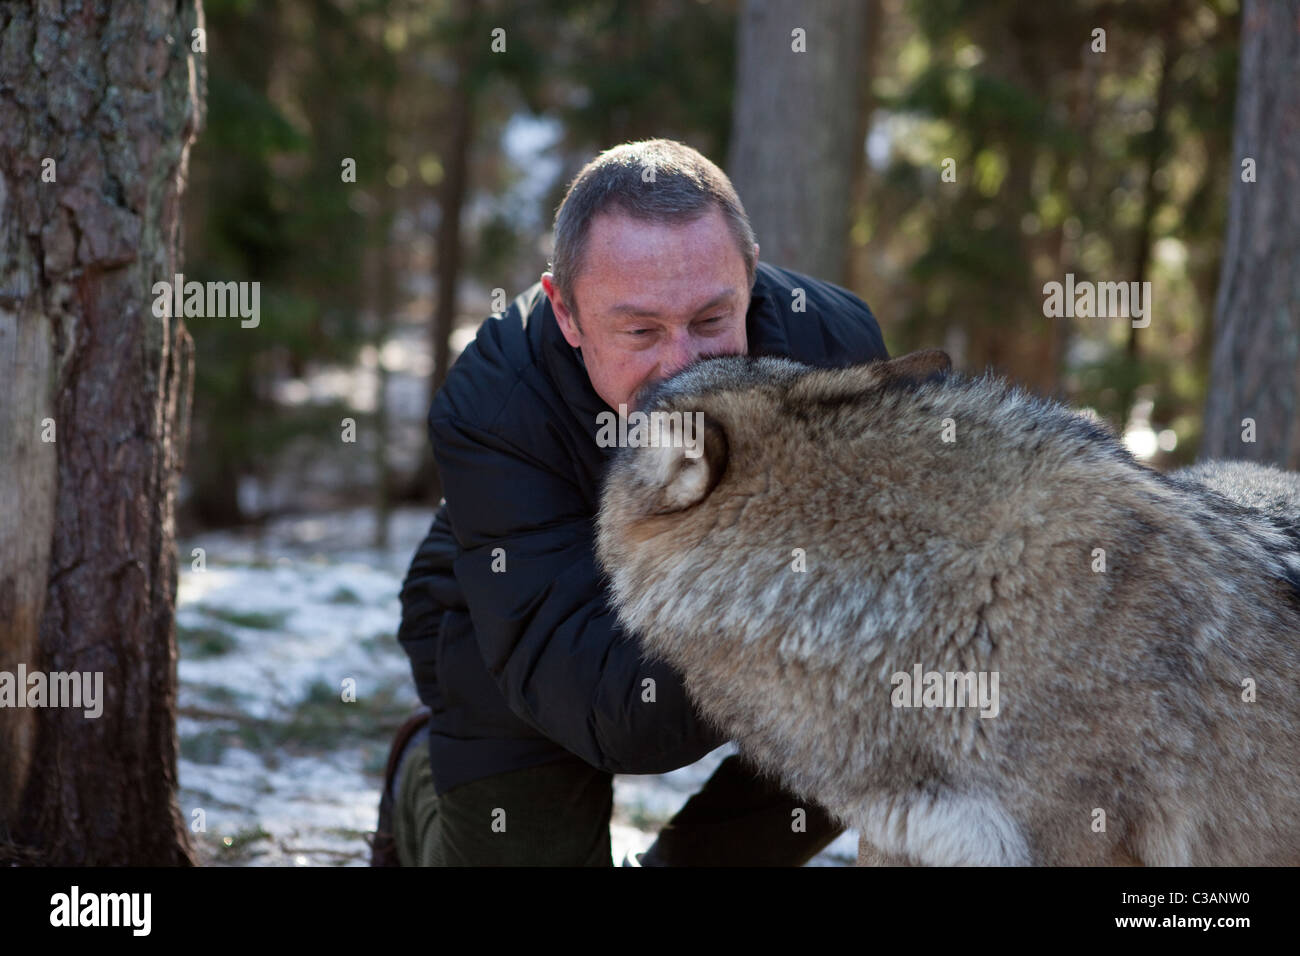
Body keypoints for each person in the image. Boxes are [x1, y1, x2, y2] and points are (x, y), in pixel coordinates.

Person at [371, 138, 889, 867]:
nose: (683, 368)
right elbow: (618, 715)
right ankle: (419, 783)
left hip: (713, 611)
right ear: (567, 313)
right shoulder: (492, 406)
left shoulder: (834, 344)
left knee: (889, 698)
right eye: (641, 331)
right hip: (519, 626)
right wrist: (802, 613)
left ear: (750, 276)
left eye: (712, 321)